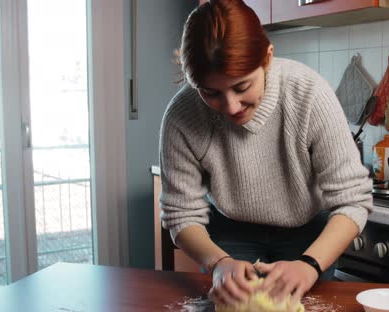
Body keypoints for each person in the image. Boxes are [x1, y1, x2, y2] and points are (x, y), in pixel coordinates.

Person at [158, 0, 373, 307]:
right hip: (230, 233)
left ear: (267, 59)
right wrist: (218, 262)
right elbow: (180, 212)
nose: (231, 106)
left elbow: (353, 200)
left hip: (308, 232)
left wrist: (310, 264)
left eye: (242, 86)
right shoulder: (182, 115)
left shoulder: (308, 93)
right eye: (211, 92)